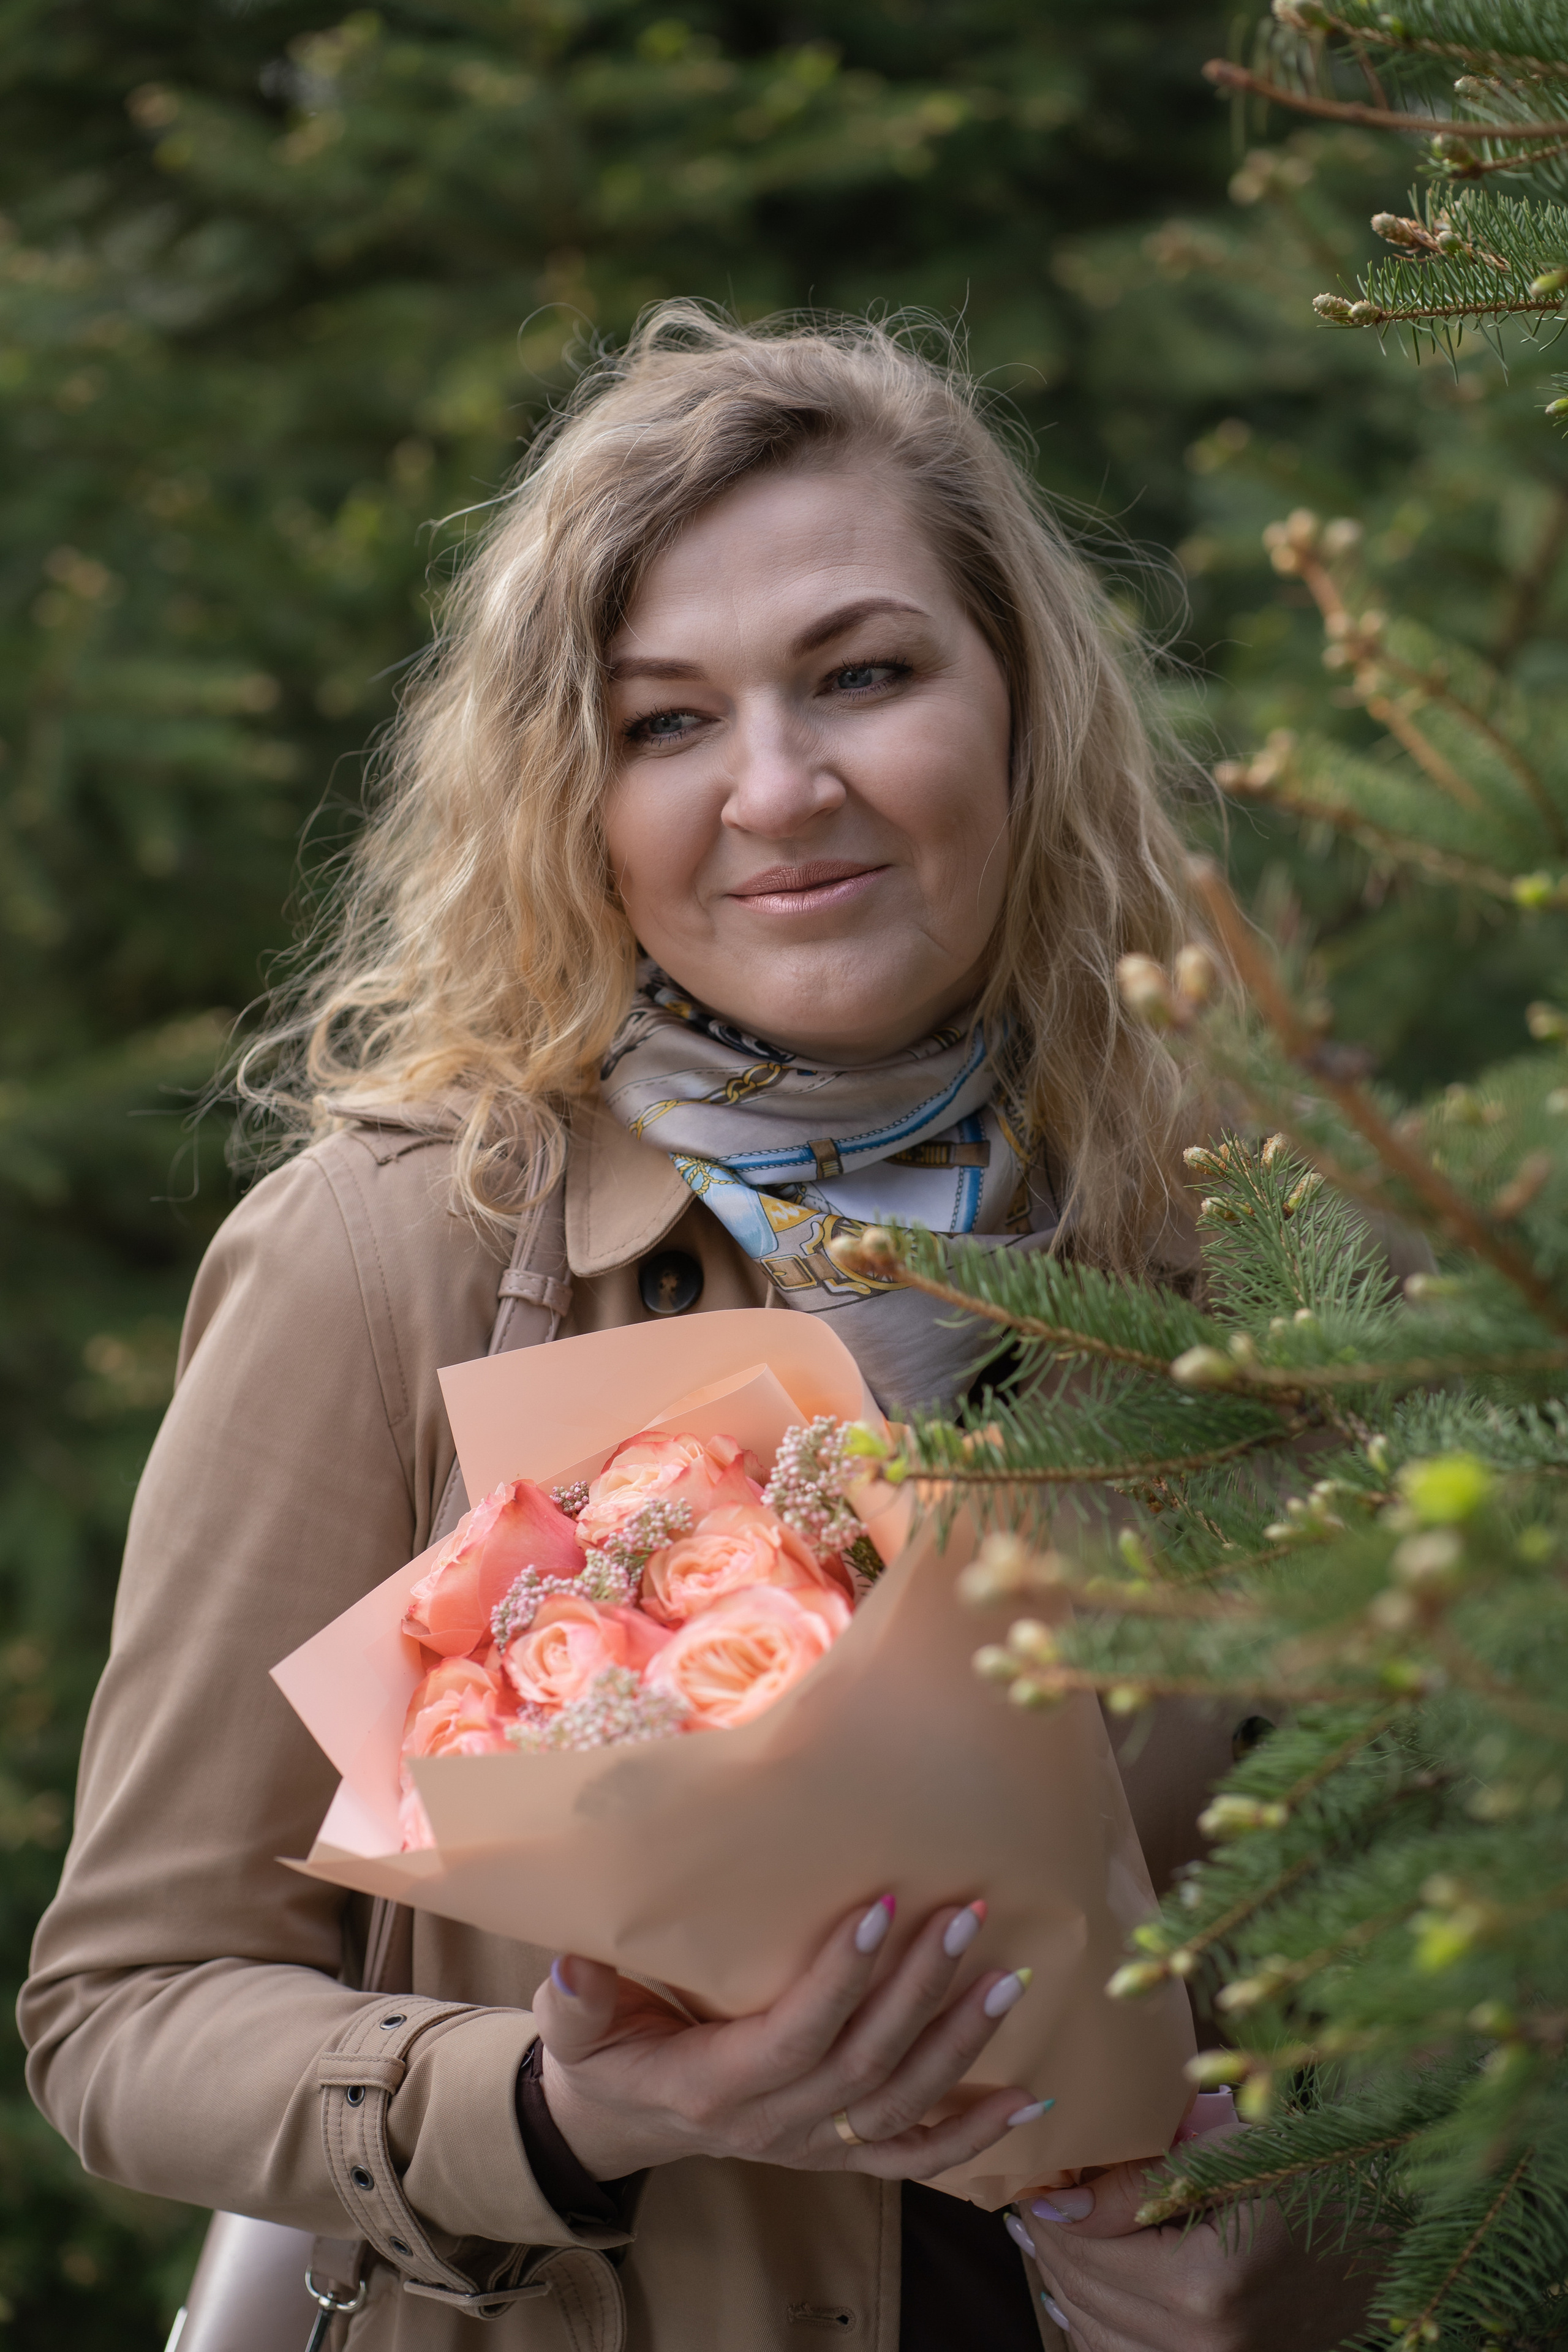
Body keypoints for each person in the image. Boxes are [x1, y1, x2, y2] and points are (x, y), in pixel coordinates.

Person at [20, 307, 1374, 2350]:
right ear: (574, 790)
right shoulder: (391, 1258)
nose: (780, 788)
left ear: (1015, 704)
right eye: (666, 722)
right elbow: (122, 2015)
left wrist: (1277, 2233)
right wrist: (564, 2118)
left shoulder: (1255, 1241)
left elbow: (1460, 1946)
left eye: (864, 675)